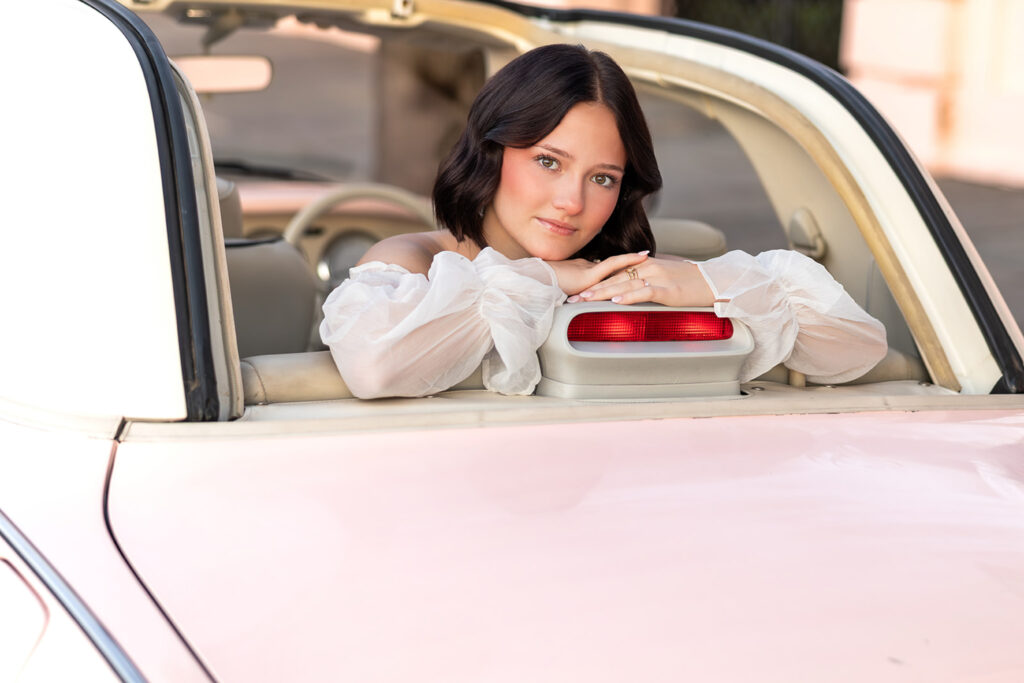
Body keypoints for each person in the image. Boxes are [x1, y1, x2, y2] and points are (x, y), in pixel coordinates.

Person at [320, 44, 887, 399]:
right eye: (548, 162)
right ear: (492, 153)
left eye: (602, 178)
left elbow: (857, 350)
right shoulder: (413, 264)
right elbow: (373, 368)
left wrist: (712, 282)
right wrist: (544, 280)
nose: (572, 202)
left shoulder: (632, 277)